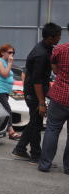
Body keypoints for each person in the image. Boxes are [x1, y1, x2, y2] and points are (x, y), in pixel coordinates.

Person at [13, 22, 62, 163]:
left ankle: (22, 150)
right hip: (34, 92)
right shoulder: (40, 55)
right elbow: (37, 81)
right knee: (36, 123)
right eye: (58, 36)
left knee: (35, 122)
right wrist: (41, 103)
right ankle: (33, 154)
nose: (60, 39)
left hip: (36, 90)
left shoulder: (47, 48)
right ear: (50, 37)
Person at [38, 25, 69, 173]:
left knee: (52, 129)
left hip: (60, 95)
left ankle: (45, 164)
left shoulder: (60, 49)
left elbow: (55, 70)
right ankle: (68, 167)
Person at [0, 44, 21, 140]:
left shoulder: (5, 61)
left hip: (4, 90)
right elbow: (4, 74)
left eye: (13, 53)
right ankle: (11, 132)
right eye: (10, 52)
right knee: (7, 110)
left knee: (2, 110)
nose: (12, 55)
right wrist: (10, 63)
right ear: (3, 52)